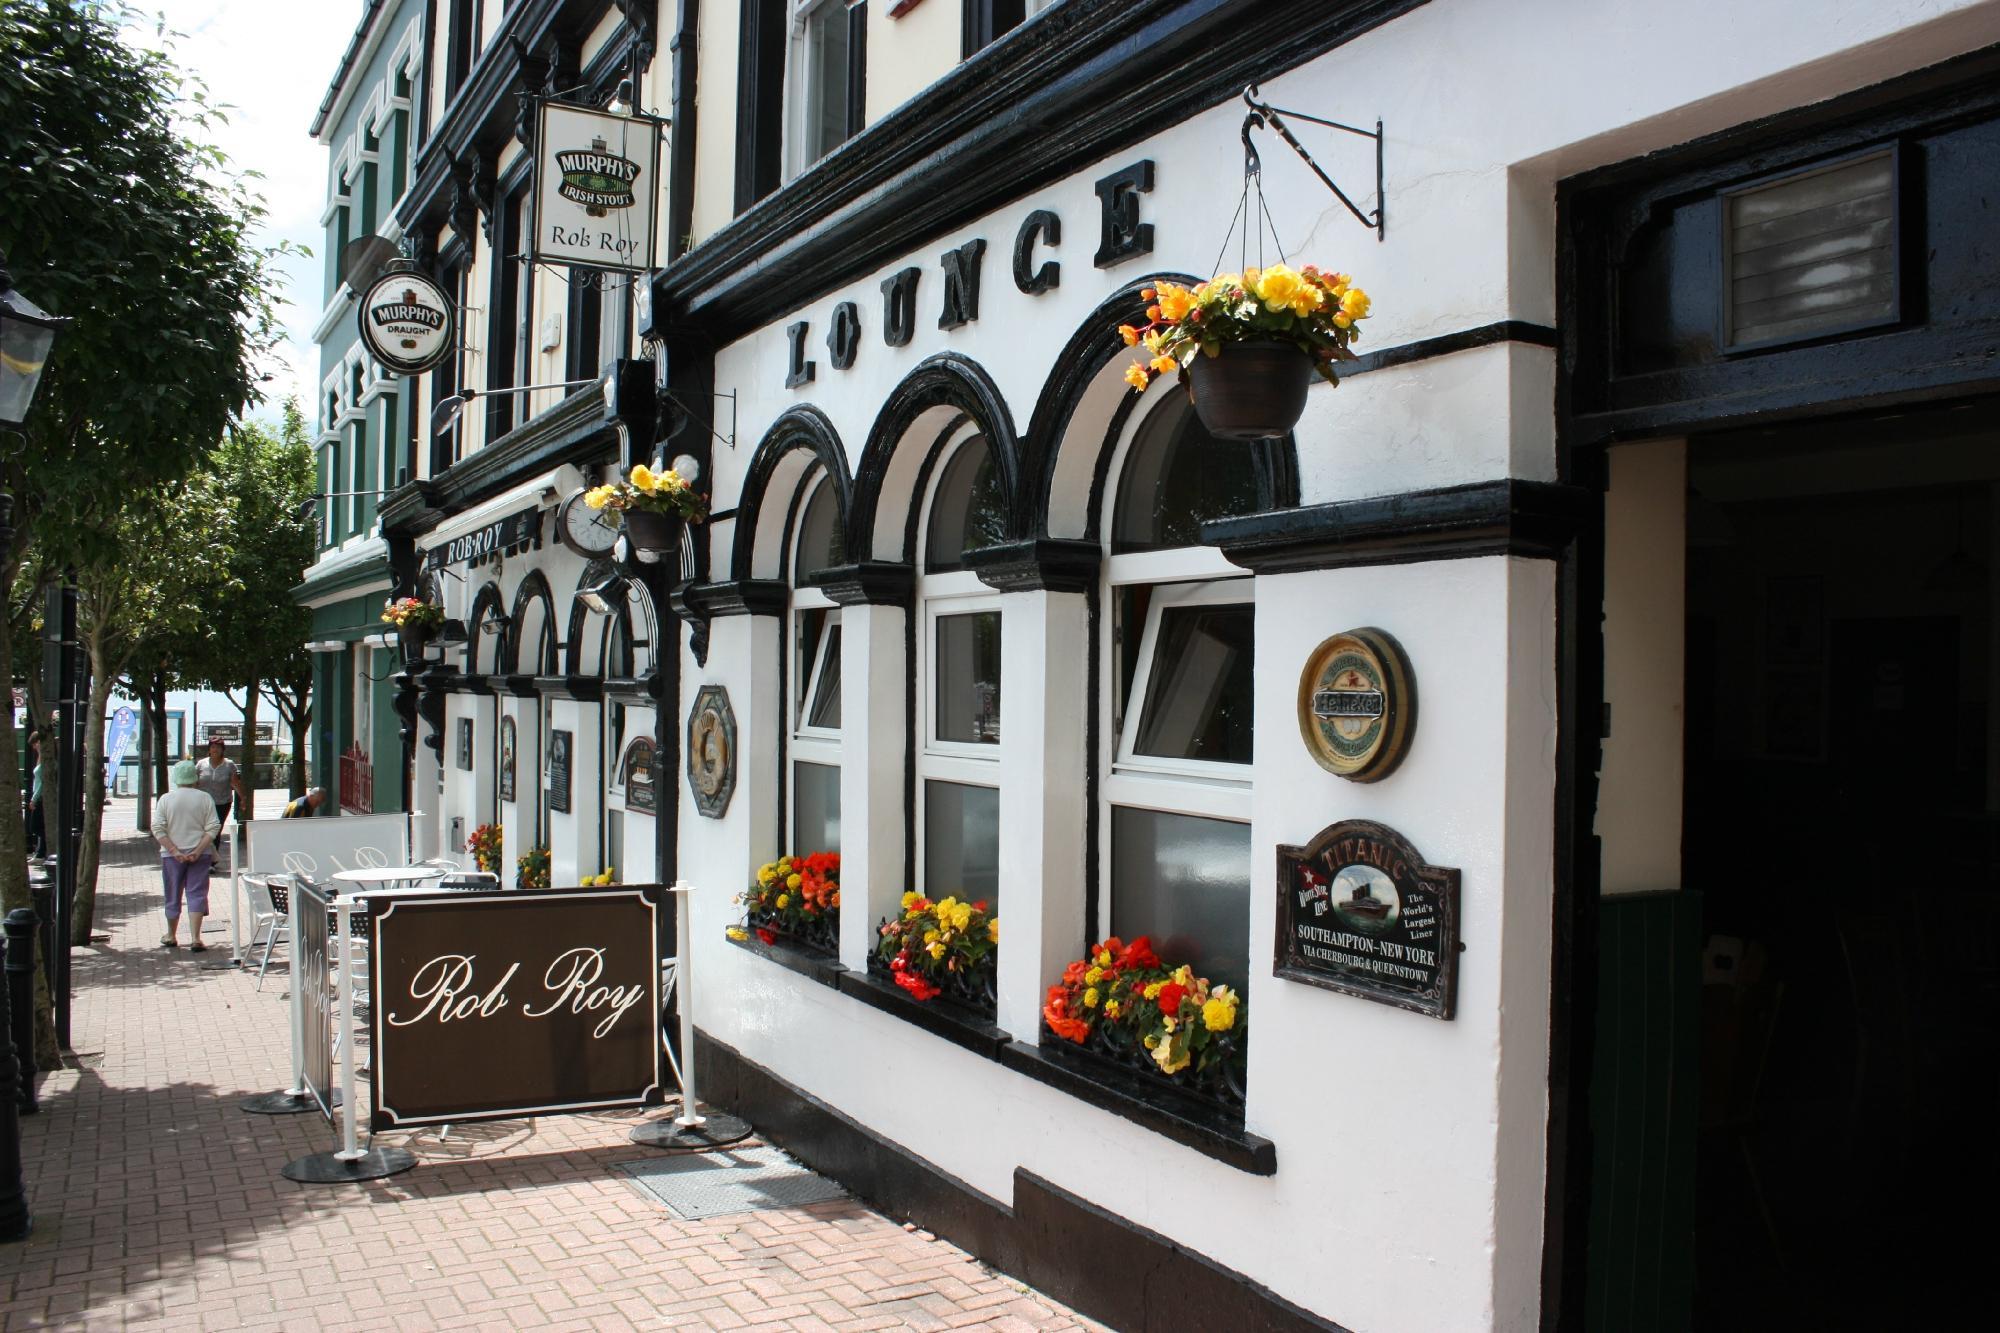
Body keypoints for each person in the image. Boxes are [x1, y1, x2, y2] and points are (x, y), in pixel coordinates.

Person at [150, 759, 219, 951]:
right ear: (194, 778)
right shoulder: (205, 798)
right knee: (197, 893)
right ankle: (196, 938)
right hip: (201, 853)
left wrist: (174, 850)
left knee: (172, 892)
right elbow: (213, 826)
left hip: (171, 855)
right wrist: (197, 850)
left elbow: (157, 828)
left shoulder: (166, 799)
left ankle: (171, 934)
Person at [195, 735, 246, 835]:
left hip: (222, 803)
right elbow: (194, 782)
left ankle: (214, 850)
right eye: (213, 747)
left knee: (216, 830)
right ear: (209, 749)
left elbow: (235, 783)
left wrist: (243, 798)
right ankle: (204, 849)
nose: (215, 750)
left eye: (218, 747)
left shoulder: (229, 765)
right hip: (203, 803)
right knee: (203, 830)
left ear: (223, 750)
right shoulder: (201, 764)